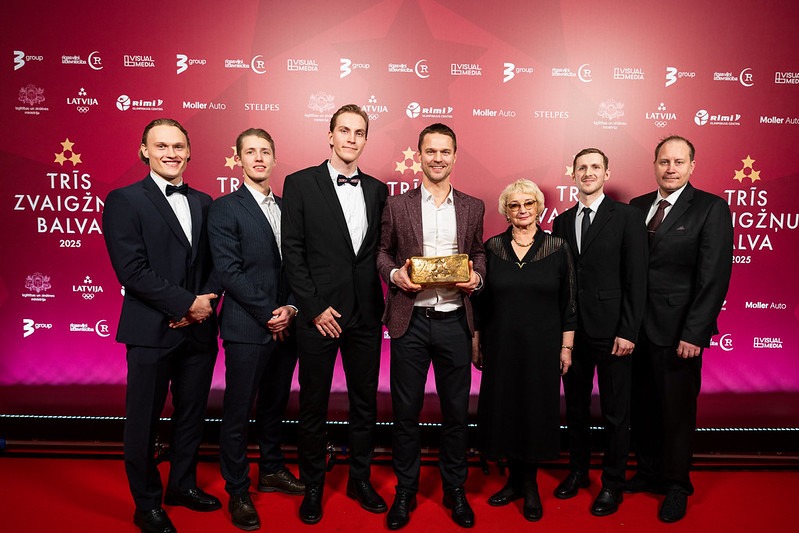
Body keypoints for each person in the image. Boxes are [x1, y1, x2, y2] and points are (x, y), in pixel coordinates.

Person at [102, 118, 221, 533]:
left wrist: (201, 305)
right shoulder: (124, 200)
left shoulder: (205, 202)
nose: (171, 153)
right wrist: (186, 303)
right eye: (161, 146)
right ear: (144, 151)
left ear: (189, 152)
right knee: (143, 421)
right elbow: (132, 270)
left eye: (178, 146)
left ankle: (182, 485)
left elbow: (217, 263)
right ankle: (147, 504)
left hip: (199, 330)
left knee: (191, 415)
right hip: (151, 331)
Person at [281, 104, 389, 524]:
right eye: (344, 130)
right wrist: (312, 307)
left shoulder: (378, 189)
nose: (351, 138)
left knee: (365, 404)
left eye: (359, 132)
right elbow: (292, 251)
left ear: (365, 140)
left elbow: (378, 252)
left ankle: (359, 479)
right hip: (318, 316)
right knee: (313, 404)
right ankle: (312, 485)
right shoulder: (300, 183)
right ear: (330, 135)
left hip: (365, 314)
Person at [377, 123, 485, 530]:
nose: (438, 158)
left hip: (455, 321)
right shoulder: (396, 205)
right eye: (431, 151)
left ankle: (454, 488)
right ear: (419, 155)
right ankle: (405, 489)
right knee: (406, 413)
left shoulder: (473, 206)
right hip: (411, 322)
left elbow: (478, 253)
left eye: (445, 151)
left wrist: (477, 278)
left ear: (454, 156)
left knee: (456, 413)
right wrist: (395, 276)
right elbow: (382, 253)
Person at [628, 135, 733, 522]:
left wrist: (695, 333)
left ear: (692, 166)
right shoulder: (637, 206)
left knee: (676, 411)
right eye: (664, 162)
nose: (670, 168)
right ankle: (648, 471)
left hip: (678, 333)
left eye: (678, 162)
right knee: (643, 406)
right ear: (654, 165)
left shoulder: (710, 208)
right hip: (636, 330)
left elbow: (714, 277)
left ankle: (676, 484)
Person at [208, 128, 304, 531]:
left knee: (274, 406)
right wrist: (269, 312)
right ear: (239, 159)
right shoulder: (224, 208)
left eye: (265, 151)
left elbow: (300, 266)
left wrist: (291, 308)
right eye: (251, 151)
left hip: (287, 325)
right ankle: (237, 489)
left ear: (275, 158)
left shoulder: (288, 207)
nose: (259, 158)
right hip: (247, 326)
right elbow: (228, 271)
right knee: (238, 411)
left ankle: (271, 469)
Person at [472, 179, 576, 522]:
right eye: (514, 205)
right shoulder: (492, 247)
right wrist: (476, 340)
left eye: (528, 203)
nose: (522, 210)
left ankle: (529, 484)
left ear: (539, 207)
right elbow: (480, 302)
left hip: (542, 348)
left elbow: (569, 302)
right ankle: (514, 482)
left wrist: (566, 347)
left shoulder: (557, 247)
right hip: (500, 345)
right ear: (505, 210)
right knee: (505, 411)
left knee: (533, 411)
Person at [551, 149, 648, 516]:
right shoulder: (561, 222)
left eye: (595, 167)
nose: (588, 172)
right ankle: (577, 471)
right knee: (576, 409)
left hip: (613, 333)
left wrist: (629, 330)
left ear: (607, 173)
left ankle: (612, 483)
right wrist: (562, 335)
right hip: (573, 334)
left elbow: (636, 277)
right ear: (572, 174)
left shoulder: (627, 217)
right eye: (582, 167)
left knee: (615, 413)